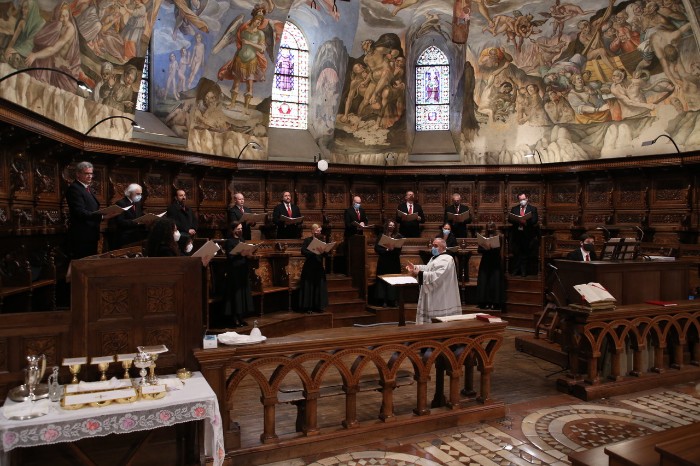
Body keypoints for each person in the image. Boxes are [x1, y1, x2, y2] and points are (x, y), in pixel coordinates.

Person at [65, 161, 118, 259]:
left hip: (90, 233)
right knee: (83, 262)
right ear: (78, 174)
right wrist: (102, 217)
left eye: (91, 173)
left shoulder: (87, 188)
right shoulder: (74, 189)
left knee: (91, 261)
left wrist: (105, 212)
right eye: (86, 173)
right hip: (82, 235)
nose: (90, 176)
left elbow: (92, 208)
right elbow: (79, 212)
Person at [406, 237, 461, 324]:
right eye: (432, 245)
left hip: (441, 293)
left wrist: (419, 273)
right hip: (433, 292)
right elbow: (428, 268)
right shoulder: (434, 258)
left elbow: (438, 275)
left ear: (443, 247)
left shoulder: (447, 259)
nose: (433, 248)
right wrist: (415, 267)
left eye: (435, 246)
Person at [223, 222, 254, 327]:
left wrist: (249, 254)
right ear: (233, 230)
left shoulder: (242, 240)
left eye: (241, 228)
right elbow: (230, 257)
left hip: (243, 269)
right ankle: (235, 318)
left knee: (242, 294)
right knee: (236, 295)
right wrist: (239, 253)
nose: (240, 230)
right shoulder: (229, 241)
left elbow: (245, 255)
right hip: (234, 270)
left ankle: (241, 317)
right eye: (238, 228)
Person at [298, 224, 328, 314]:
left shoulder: (322, 241)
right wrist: (313, 251)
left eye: (320, 231)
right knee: (309, 286)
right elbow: (303, 251)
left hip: (319, 266)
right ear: (313, 231)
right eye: (317, 231)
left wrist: (324, 251)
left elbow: (325, 255)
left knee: (319, 286)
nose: (319, 232)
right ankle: (309, 307)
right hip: (309, 266)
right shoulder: (308, 240)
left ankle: (318, 306)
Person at [509, 192, 539, 277]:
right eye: (520, 200)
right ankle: (516, 270)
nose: (522, 201)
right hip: (517, 234)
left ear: (527, 199)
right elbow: (510, 219)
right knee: (517, 253)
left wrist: (526, 222)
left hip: (527, 234)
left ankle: (523, 271)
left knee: (525, 253)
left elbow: (534, 220)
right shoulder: (514, 209)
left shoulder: (532, 209)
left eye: (523, 199)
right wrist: (518, 220)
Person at [374, 220, 402, 307]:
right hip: (383, 261)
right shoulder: (381, 236)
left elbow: (399, 249)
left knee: (393, 280)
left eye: (393, 225)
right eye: (390, 225)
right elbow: (377, 248)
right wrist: (386, 249)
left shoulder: (398, 236)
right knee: (382, 280)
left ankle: (392, 300)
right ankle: (382, 300)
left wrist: (393, 249)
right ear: (386, 226)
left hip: (394, 261)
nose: (391, 227)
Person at [476, 223, 504, 310]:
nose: (490, 229)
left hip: (495, 262)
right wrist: (485, 247)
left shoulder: (498, 237)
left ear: (494, 228)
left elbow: (499, 249)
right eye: (488, 227)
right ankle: (484, 302)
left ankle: (494, 302)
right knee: (484, 282)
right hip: (485, 262)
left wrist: (491, 248)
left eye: (492, 227)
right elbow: (479, 250)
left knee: (494, 282)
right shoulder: (483, 237)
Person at [111, 183, 147, 249]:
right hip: (125, 236)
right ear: (130, 193)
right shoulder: (121, 203)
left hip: (137, 235)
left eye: (140, 194)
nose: (140, 196)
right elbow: (120, 222)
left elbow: (140, 215)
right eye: (138, 194)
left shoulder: (137, 203)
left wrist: (148, 218)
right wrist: (137, 222)